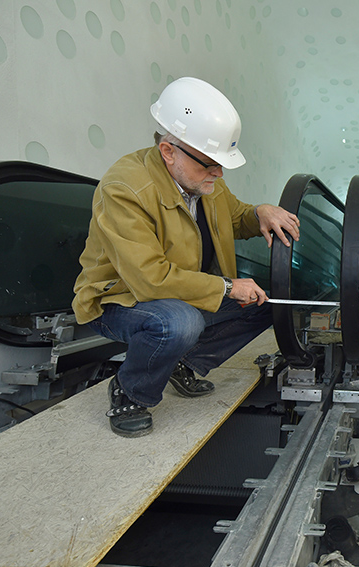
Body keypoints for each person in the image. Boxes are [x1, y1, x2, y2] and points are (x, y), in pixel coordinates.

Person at [73, 77, 300, 438]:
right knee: (178, 323)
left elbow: (234, 216)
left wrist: (260, 213)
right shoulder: (124, 189)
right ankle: (130, 392)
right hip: (119, 300)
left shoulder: (203, 178)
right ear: (168, 151)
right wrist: (226, 287)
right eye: (210, 165)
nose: (219, 173)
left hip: (181, 292)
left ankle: (183, 362)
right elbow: (149, 279)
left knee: (268, 301)